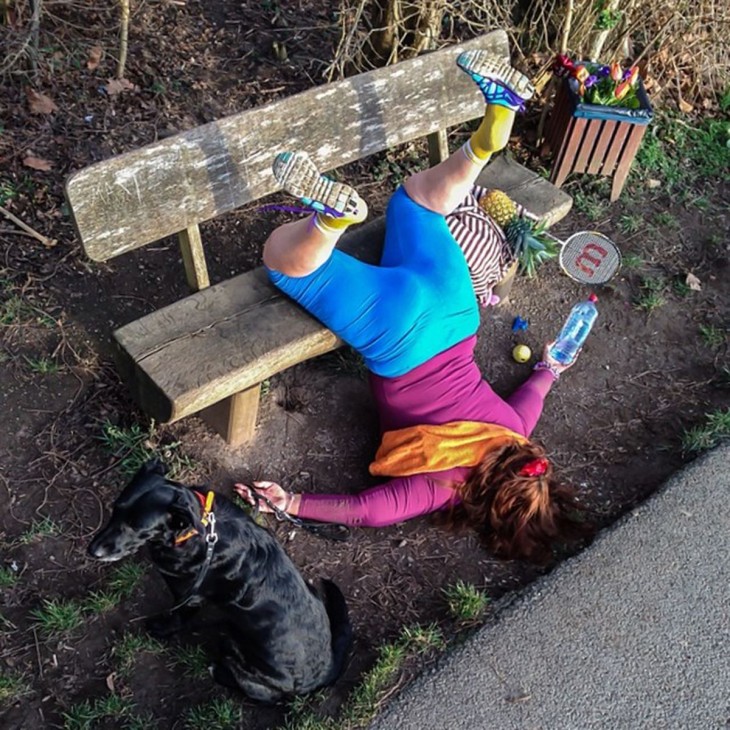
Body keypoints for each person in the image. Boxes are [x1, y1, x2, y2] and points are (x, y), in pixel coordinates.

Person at [235, 50, 589, 564]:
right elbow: (367, 511)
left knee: (416, 201)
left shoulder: (516, 435)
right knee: (284, 263)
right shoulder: (440, 488)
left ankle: (489, 134)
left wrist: (551, 366)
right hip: (400, 335)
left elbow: (534, 396)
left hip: (458, 305)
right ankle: (329, 222)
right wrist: (293, 503)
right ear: (490, 510)